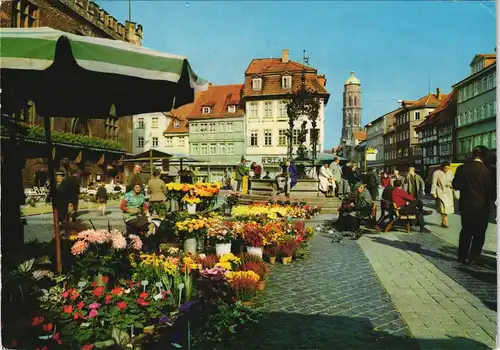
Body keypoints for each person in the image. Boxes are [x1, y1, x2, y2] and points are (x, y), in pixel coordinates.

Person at [452, 145, 493, 265]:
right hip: (482, 206)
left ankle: (462, 256)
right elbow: (490, 191)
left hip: (466, 206)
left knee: (466, 231)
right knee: (479, 233)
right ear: (484, 156)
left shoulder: (462, 168)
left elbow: (455, 185)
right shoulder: (487, 170)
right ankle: (474, 257)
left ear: (473, 154)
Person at [431, 161, 454, 228]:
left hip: (448, 191)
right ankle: (444, 220)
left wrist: (451, 185)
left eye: (448, 168)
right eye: (445, 168)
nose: (446, 169)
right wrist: (433, 192)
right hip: (440, 191)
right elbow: (434, 183)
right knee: (442, 206)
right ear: (442, 167)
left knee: (447, 207)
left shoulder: (450, 173)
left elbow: (453, 181)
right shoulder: (436, 173)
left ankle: (443, 220)